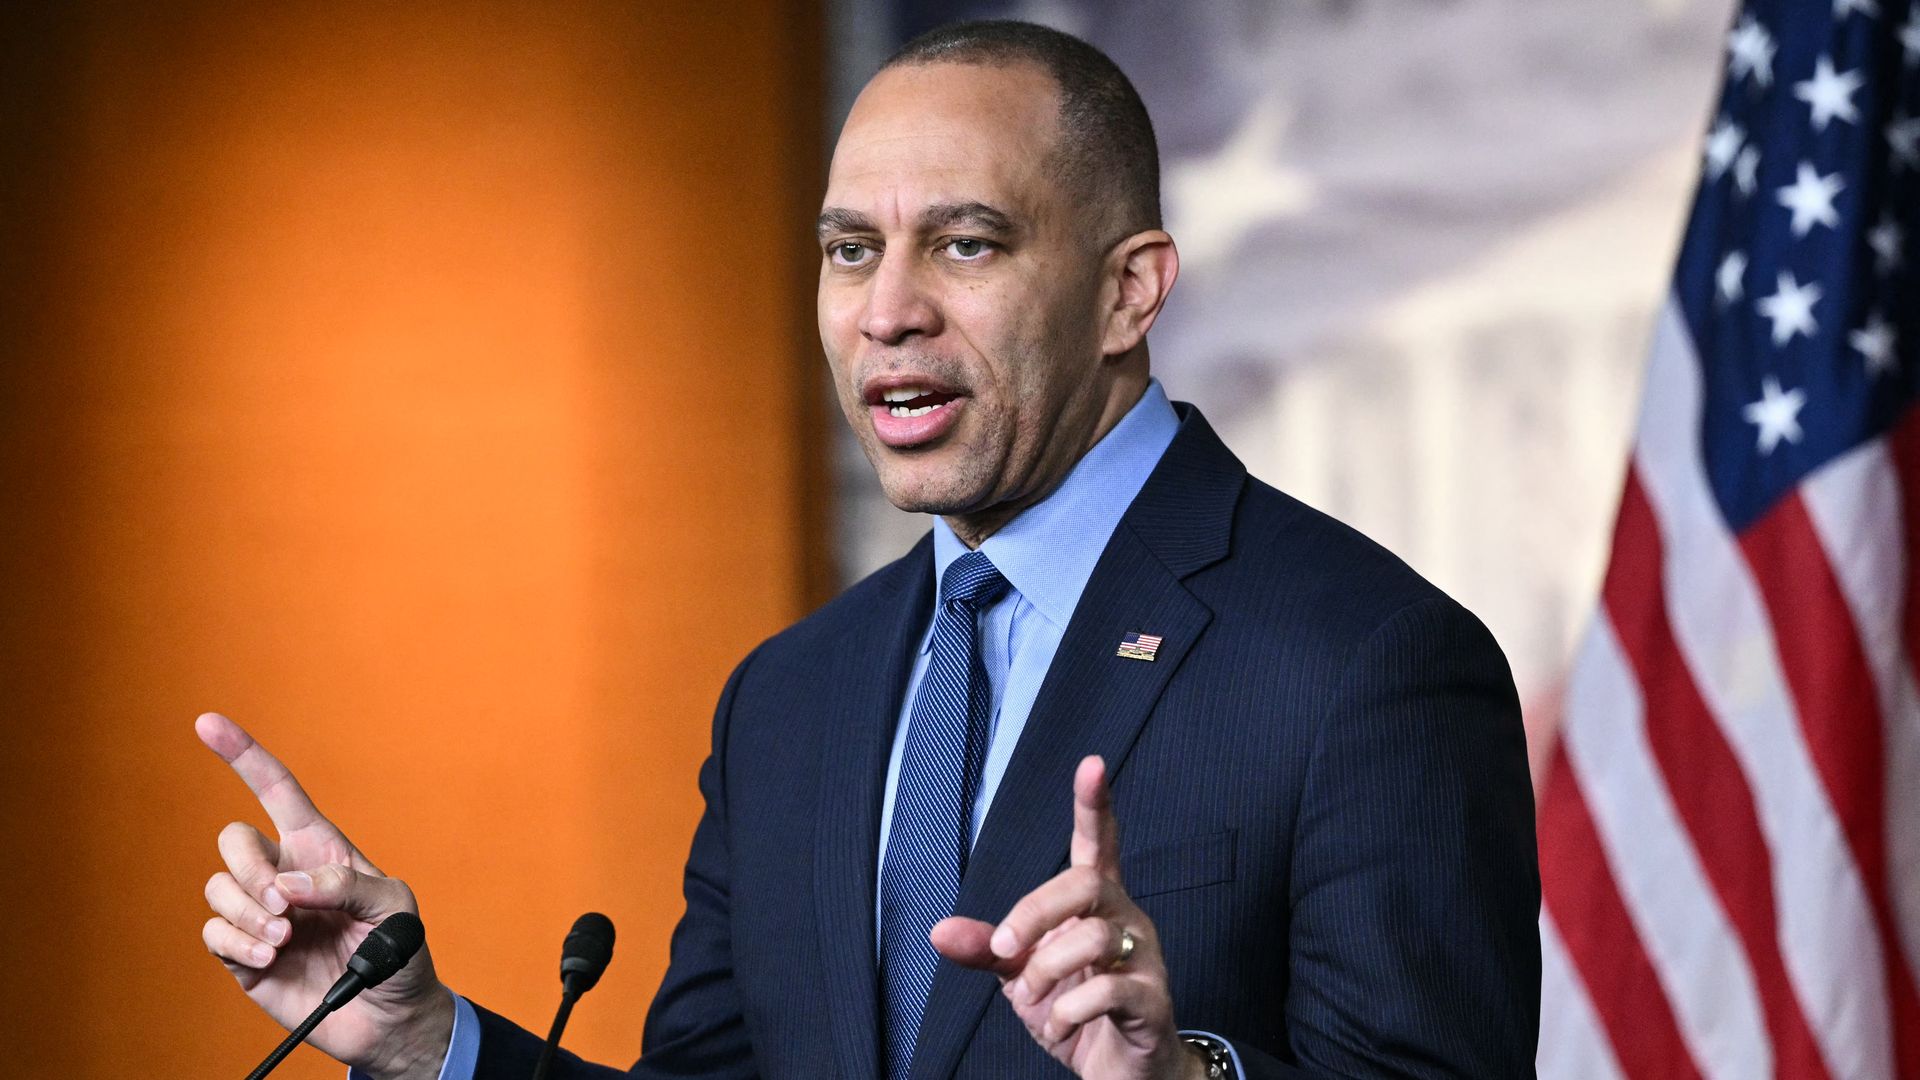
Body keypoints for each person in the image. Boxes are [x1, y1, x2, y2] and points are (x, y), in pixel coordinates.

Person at [198, 20, 1540, 1080]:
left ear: (1128, 291)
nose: (888, 311)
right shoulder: (790, 697)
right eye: (850, 250)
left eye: (966, 244)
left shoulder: (1365, 660)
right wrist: (423, 1038)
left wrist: (1183, 1078)